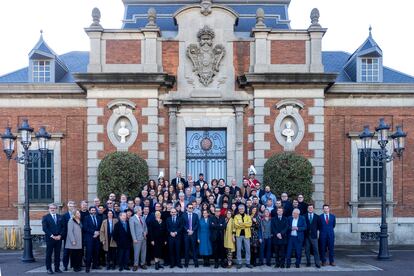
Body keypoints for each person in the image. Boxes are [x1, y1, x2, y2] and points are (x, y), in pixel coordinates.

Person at [42, 203, 64, 274]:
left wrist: (60, 235)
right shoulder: (45, 217)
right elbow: (45, 228)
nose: (52, 209)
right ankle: (49, 268)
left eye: (54, 208)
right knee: (49, 254)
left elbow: (63, 227)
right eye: (51, 208)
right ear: (49, 209)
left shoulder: (60, 217)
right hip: (50, 238)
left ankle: (57, 268)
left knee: (57, 254)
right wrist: (52, 236)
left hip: (59, 238)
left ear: (56, 209)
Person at [83, 206, 102, 273]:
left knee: (96, 252)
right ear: (89, 211)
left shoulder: (99, 218)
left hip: (97, 238)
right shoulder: (86, 218)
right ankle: (87, 267)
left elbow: (100, 227)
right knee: (89, 253)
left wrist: (98, 233)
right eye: (92, 210)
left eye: (94, 210)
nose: (93, 211)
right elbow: (85, 228)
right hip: (89, 238)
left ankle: (95, 265)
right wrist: (94, 232)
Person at [234, 204, 253, 269]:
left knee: (248, 249)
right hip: (238, 235)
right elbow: (236, 225)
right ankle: (239, 263)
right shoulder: (236, 216)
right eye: (240, 209)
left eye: (242, 209)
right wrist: (245, 224)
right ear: (238, 210)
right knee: (238, 249)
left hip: (247, 235)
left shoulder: (248, 216)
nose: (241, 210)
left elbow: (250, 224)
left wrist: (241, 224)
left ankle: (248, 262)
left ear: (244, 209)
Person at [129, 206, 148, 271]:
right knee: (136, 252)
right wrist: (134, 239)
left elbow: (145, 227)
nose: (142, 211)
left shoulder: (142, 218)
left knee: (143, 252)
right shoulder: (132, 218)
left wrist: (146, 232)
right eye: (140, 210)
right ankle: (135, 265)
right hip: (137, 239)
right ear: (137, 211)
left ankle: (142, 264)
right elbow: (132, 230)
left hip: (144, 238)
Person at [182, 203, 199, 267]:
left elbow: (197, 224)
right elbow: (182, 224)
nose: (191, 208)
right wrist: (187, 230)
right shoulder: (184, 215)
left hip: (193, 234)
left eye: (192, 208)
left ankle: (196, 263)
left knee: (194, 249)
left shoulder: (196, 215)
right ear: (186, 208)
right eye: (189, 207)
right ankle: (186, 263)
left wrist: (192, 230)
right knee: (186, 249)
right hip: (186, 234)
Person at [304, 204, 321, 268]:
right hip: (306, 236)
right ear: (307, 209)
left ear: (313, 209)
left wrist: (318, 234)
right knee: (307, 250)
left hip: (314, 236)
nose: (310, 209)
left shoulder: (317, 217)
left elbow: (319, 227)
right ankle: (308, 262)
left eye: (311, 208)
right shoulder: (304, 216)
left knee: (316, 250)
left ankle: (317, 263)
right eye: (309, 208)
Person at [62, 200, 76, 271]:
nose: (71, 207)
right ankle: (65, 266)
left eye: (73, 206)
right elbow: (64, 226)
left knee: (74, 251)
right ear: (68, 206)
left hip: (76, 236)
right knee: (66, 252)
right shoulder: (65, 216)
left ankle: (73, 265)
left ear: (74, 206)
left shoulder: (77, 214)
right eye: (70, 206)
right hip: (67, 236)